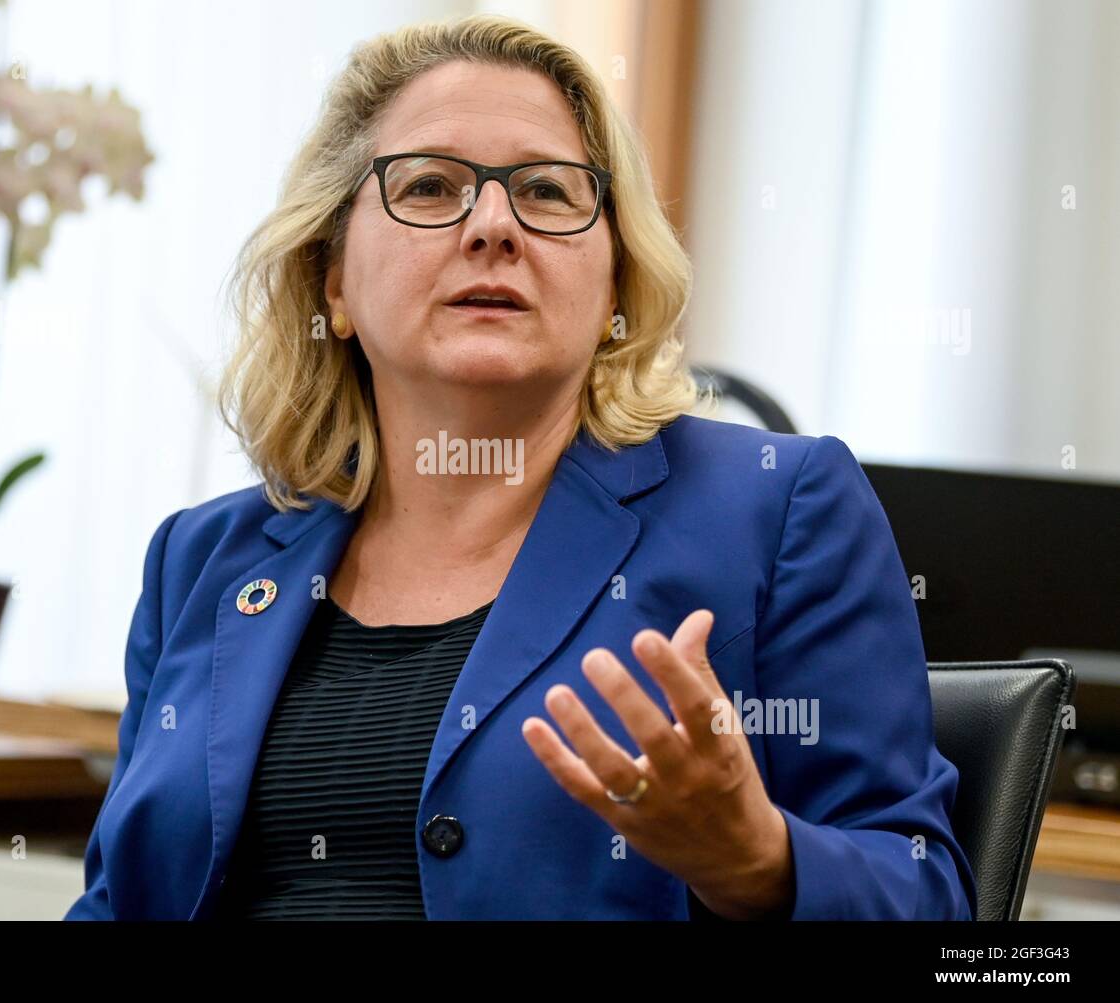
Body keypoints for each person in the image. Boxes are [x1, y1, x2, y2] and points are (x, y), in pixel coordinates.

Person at [65, 13, 977, 921]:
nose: (493, 226)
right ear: (333, 279)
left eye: (546, 192)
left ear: (616, 280)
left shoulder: (777, 508)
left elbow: (925, 898)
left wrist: (756, 860)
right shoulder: (203, 560)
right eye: (429, 186)